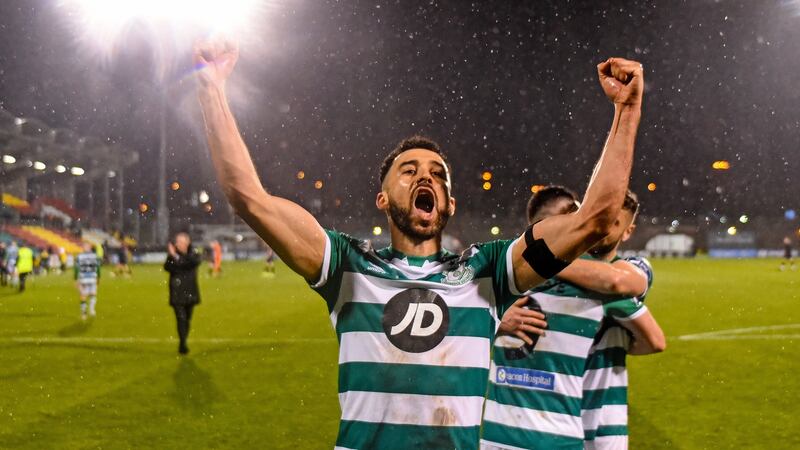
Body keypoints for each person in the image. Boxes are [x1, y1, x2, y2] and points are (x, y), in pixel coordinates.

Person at [194, 37, 644, 448]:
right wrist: (211, 85)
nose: (426, 175)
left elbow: (596, 218)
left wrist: (627, 110)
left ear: (449, 204)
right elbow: (248, 197)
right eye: (409, 170)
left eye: (438, 174)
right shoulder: (347, 266)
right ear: (383, 198)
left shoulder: (488, 271)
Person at [483, 188, 664, 450]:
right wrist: (498, 315)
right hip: (537, 429)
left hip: (596, 421)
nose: (589, 226)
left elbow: (621, 286)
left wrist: (541, 258)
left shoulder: (610, 281)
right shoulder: (505, 282)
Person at [164, 232, 202, 355]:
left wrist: (176, 257)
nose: (178, 244)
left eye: (180, 241)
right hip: (177, 292)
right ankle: (182, 343)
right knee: (181, 318)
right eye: (177, 242)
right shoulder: (172, 256)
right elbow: (167, 267)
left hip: (190, 291)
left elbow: (190, 263)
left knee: (187, 319)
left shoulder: (193, 254)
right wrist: (175, 258)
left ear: (187, 242)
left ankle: (183, 340)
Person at [74, 242, 101, 320]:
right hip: (92, 277)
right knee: (92, 294)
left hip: (84, 278)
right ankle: (91, 310)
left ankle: (84, 313)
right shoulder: (95, 256)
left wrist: (76, 279)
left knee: (83, 295)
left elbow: (76, 268)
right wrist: (99, 277)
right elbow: (98, 267)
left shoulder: (79, 256)